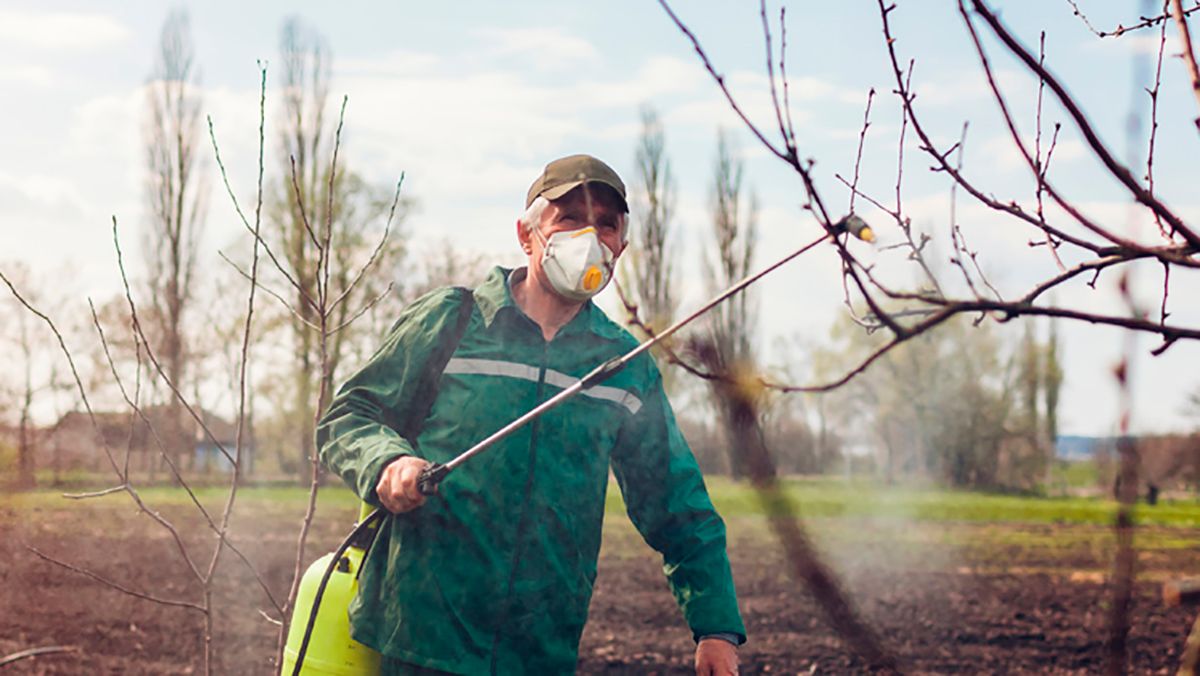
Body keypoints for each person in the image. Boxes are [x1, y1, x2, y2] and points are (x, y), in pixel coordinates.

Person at [318, 154, 745, 675]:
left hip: (540, 648)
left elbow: (677, 504)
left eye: (605, 225)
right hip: (421, 638)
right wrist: (388, 464)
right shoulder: (454, 321)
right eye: (569, 219)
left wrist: (716, 628)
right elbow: (350, 416)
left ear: (621, 247)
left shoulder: (622, 365)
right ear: (527, 234)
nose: (589, 238)